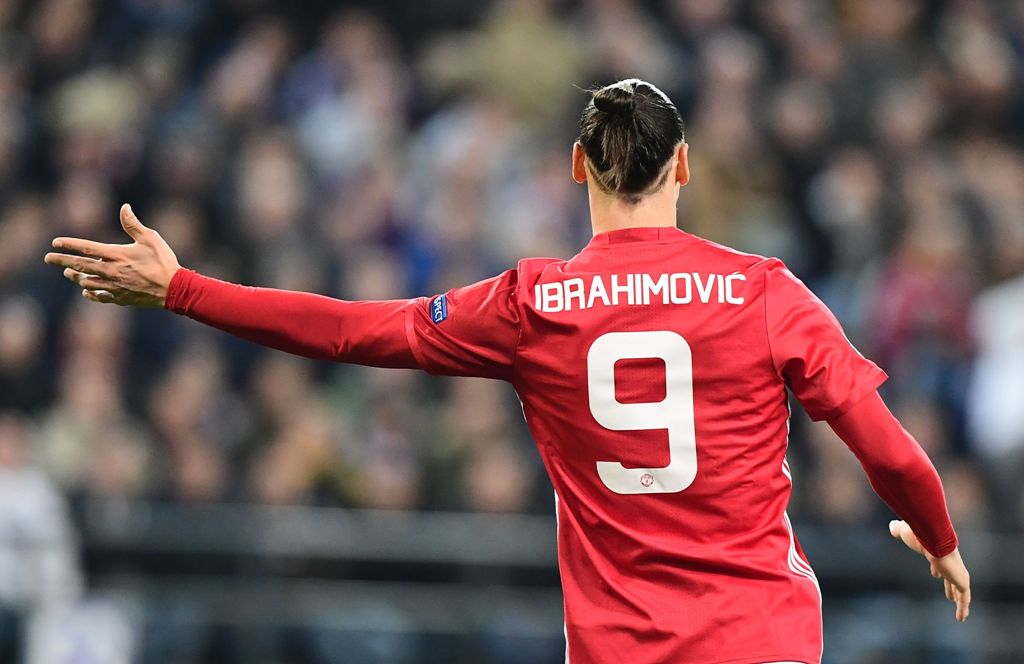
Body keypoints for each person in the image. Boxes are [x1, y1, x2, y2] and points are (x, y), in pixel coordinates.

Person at [44, 79, 969, 664]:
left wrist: (186, 290)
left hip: (620, 650)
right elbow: (891, 453)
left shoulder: (535, 304)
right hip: (761, 639)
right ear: (683, 165)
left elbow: (351, 332)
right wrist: (937, 535)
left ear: (578, 167)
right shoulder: (765, 291)